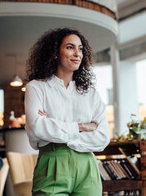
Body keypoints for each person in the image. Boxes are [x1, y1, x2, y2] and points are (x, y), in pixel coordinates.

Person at [25, 28, 110, 196]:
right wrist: (81, 126)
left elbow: (103, 138)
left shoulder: (90, 93)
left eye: (80, 48)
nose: (77, 53)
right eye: (70, 47)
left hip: (87, 167)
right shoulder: (36, 87)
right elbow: (36, 128)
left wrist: (55, 126)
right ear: (55, 53)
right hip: (52, 164)